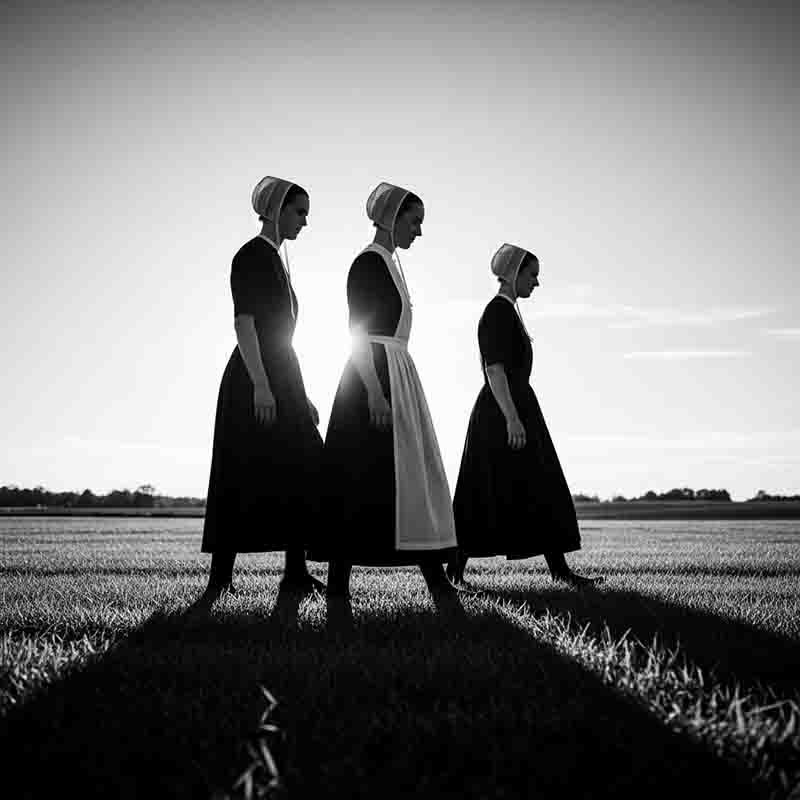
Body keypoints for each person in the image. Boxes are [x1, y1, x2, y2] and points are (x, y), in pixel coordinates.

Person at [316, 182, 462, 624]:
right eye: (414, 221)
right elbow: (357, 331)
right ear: (391, 218)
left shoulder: (389, 264)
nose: (419, 231)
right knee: (361, 479)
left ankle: (436, 581)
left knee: (405, 479)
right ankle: (339, 590)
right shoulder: (367, 263)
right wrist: (375, 391)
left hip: (395, 371)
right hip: (373, 377)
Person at [197, 175, 325, 609]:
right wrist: (262, 385)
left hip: (283, 375)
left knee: (302, 466)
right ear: (275, 210)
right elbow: (244, 324)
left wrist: (300, 394)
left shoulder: (276, 259)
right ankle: (219, 582)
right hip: (254, 379)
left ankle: (296, 574)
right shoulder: (251, 255)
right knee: (239, 470)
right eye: (299, 212)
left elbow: (283, 336)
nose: (305, 222)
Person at [447, 243, 602, 588]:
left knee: (540, 485)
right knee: (483, 490)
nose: (537, 282)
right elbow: (494, 369)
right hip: (501, 411)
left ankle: (560, 572)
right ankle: (453, 572)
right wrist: (512, 418)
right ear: (513, 274)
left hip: (518, 406)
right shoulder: (496, 312)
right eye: (532, 275)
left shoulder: (509, 312)